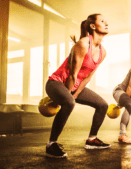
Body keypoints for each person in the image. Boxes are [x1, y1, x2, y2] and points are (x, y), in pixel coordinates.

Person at [45, 13, 110, 158]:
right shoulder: (83, 44)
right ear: (93, 26)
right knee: (69, 102)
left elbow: (88, 76)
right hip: (56, 83)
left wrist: (75, 94)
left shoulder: (102, 52)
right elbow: (72, 76)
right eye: (102, 21)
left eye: (106, 21)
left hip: (74, 86)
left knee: (103, 105)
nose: (107, 23)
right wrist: (68, 97)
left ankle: (92, 139)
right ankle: (51, 144)